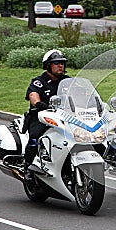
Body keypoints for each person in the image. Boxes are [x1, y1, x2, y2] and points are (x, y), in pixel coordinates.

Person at [23, 49, 70, 184]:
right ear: (48, 65)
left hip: (64, 118)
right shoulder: (39, 82)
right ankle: (28, 169)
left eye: (62, 63)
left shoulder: (68, 81)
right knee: (35, 138)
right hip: (41, 117)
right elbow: (33, 96)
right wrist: (38, 103)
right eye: (56, 63)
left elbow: (81, 94)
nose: (60, 66)